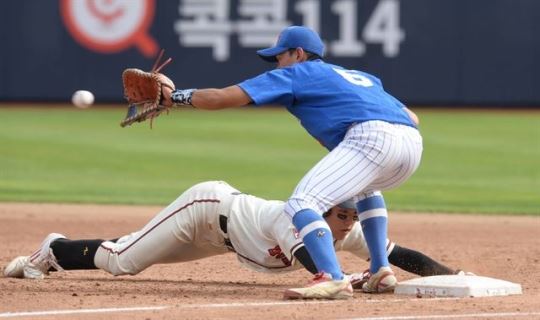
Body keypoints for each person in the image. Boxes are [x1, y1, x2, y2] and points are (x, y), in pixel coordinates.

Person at [157, 25, 423, 298]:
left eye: (280, 57)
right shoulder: (359, 76)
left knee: (302, 203)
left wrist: (172, 97)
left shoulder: (297, 73)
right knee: (365, 186)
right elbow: (412, 117)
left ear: (298, 54)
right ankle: (380, 269)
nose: (278, 64)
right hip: (411, 144)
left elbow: (220, 98)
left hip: (372, 138)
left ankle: (332, 278)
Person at [4, 181, 462, 297]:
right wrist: (355, 279)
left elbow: (399, 254)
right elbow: (320, 272)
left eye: (351, 216)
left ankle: (59, 249)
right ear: (322, 210)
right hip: (206, 210)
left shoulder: (345, 232)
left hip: (225, 239)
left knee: (130, 253)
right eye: (341, 215)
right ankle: (52, 248)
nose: (348, 224)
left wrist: (452, 274)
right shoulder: (296, 221)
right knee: (124, 261)